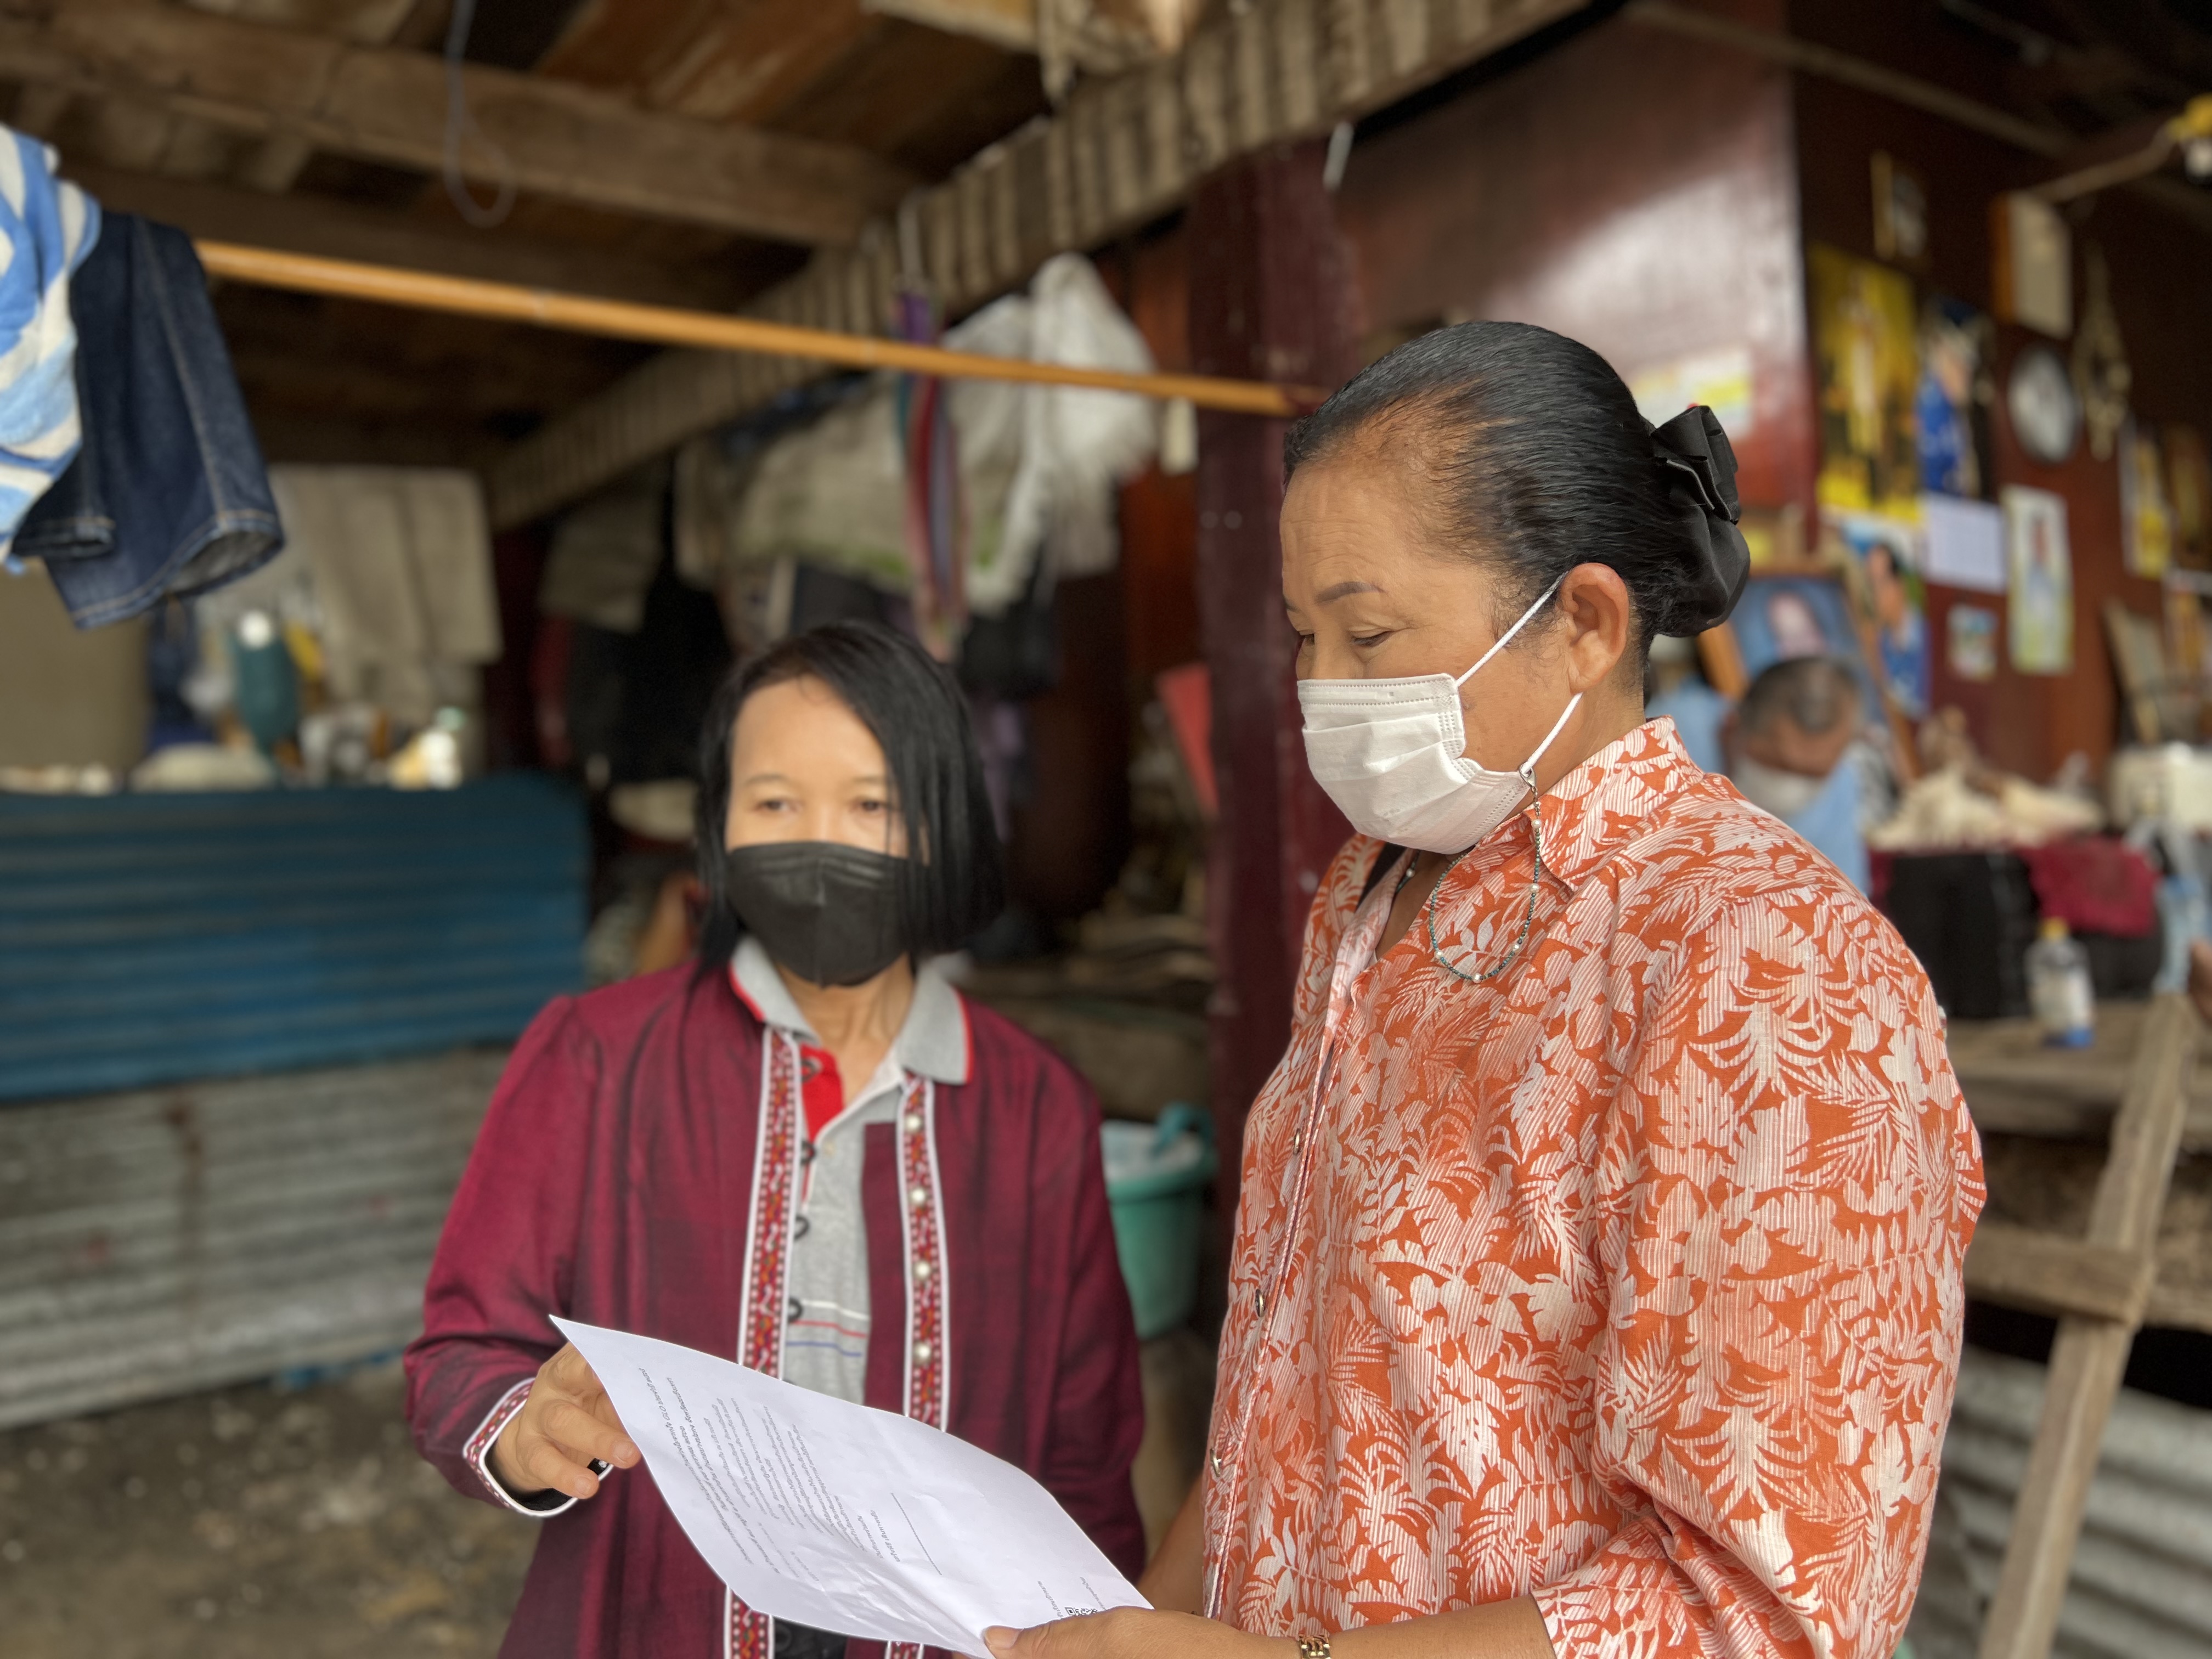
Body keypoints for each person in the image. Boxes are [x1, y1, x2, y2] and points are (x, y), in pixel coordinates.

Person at [988, 323, 1983, 1659]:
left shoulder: (1769, 971)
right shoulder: (1372, 897)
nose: (1320, 690)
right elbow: (1287, 1398)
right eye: (1305, 636)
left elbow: (1762, 1613)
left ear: (1583, 624)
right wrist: (1143, 1622)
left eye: (1369, 634)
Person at [406, 620, 1145, 1659]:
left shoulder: (1036, 1108)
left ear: (942, 824)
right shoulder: (596, 1056)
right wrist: (526, 1429)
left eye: (870, 804)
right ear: (719, 830)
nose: (821, 842)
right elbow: (461, 1350)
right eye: (775, 803)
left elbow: (1086, 1452)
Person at [1722, 654, 1871, 891]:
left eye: (1813, 775)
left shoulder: (1841, 785)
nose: (1792, 787)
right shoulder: (1672, 736)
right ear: (1733, 727)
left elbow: (1845, 897)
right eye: (1780, 766)